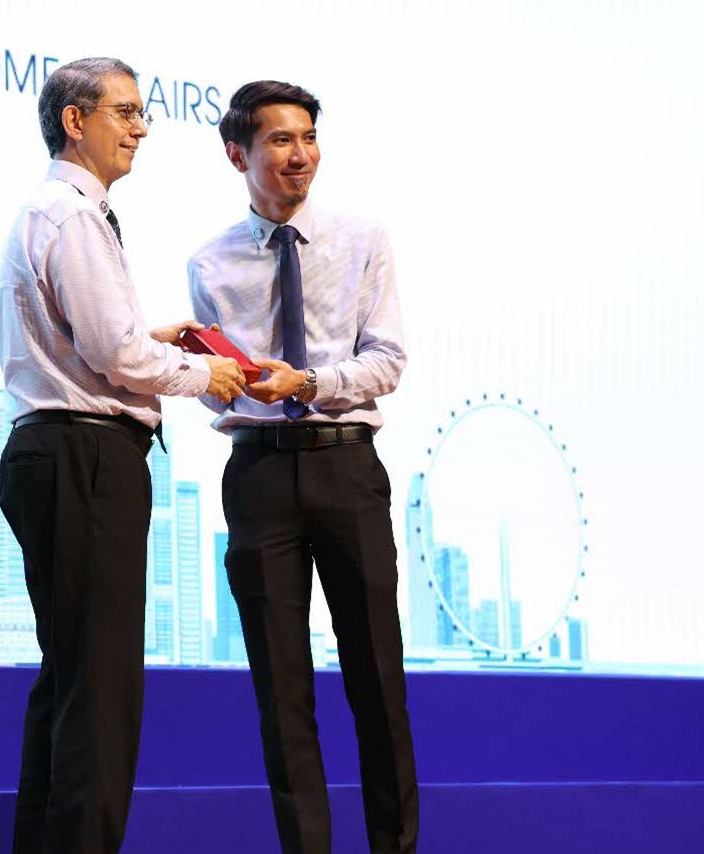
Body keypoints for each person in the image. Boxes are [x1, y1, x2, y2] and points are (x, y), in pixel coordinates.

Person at [0, 56, 246, 854]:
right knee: (99, 698)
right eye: (124, 112)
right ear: (76, 121)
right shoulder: (72, 216)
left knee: (71, 688)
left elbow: (110, 341)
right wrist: (204, 370)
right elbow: (117, 356)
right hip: (85, 457)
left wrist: (152, 340)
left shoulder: (56, 213)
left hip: (56, 453)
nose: (141, 127)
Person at [187, 80, 419, 854]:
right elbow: (212, 387)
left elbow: (387, 360)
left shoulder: (361, 239)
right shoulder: (210, 261)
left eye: (308, 136)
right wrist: (211, 376)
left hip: (346, 466)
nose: (300, 154)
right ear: (237, 154)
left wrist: (312, 385)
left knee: (375, 679)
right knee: (281, 691)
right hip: (256, 475)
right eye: (280, 140)